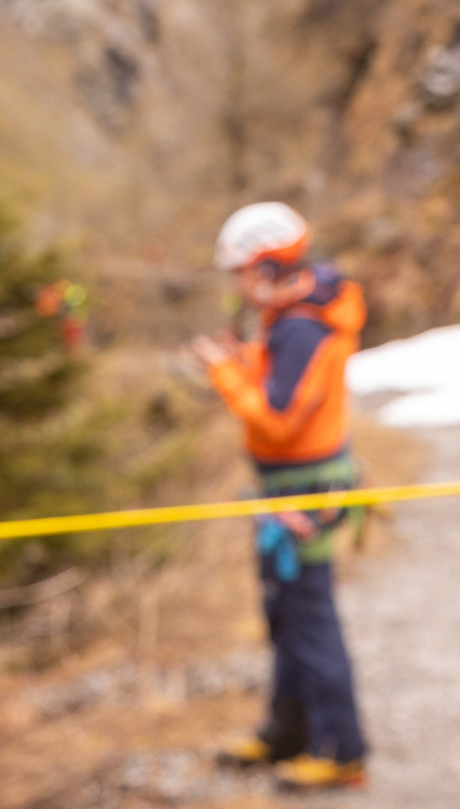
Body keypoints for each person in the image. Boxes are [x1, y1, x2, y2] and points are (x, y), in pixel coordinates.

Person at [189, 201, 371, 792]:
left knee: (309, 620)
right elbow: (284, 391)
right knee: (286, 615)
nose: (237, 287)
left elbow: (277, 418)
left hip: (304, 496)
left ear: (267, 267)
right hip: (285, 492)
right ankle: (287, 732)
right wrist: (243, 360)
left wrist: (224, 372)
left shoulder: (300, 327)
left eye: (241, 273)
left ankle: (341, 750)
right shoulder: (289, 318)